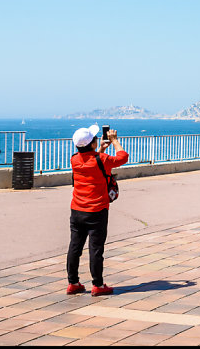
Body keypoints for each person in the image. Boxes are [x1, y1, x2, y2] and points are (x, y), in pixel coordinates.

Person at [67, 124, 128, 296]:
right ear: (92, 143)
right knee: (95, 249)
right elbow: (123, 157)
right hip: (97, 210)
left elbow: (89, 160)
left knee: (75, 247)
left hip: (77, 210)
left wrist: (99, 149)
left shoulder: (74, 159)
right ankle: (98, 285)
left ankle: (73, 283)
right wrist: (115, 141)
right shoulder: (102, 160)